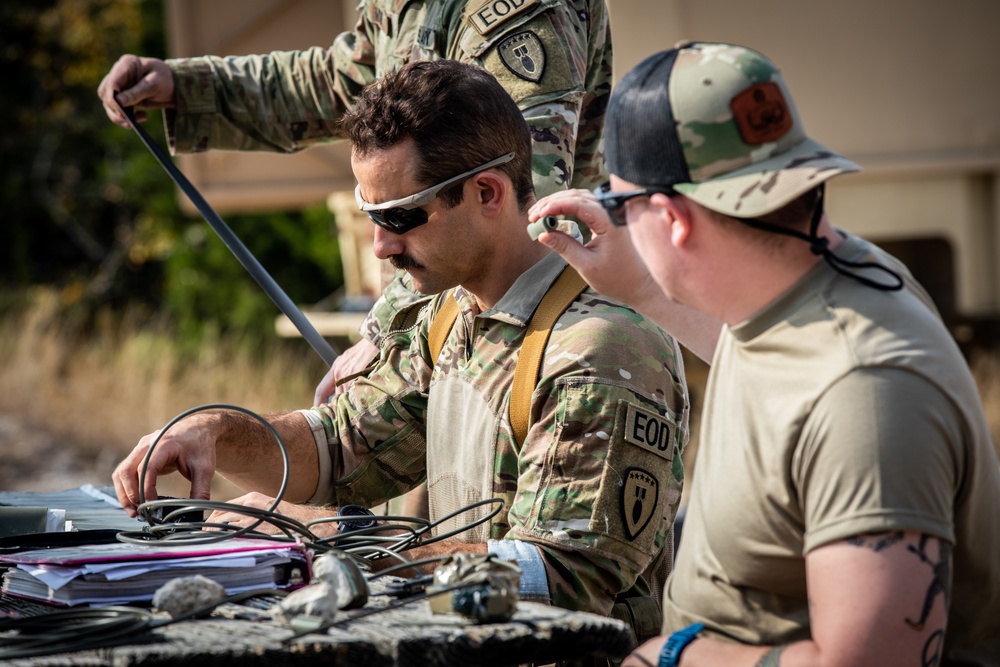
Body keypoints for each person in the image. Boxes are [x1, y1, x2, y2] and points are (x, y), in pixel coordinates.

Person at [112, 60, 690, 637]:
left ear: (487, 192)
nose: (381, 246)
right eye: (370, 214)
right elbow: (344, 448)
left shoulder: (597, 350)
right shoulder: (448, 312)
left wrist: (338, 544)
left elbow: (565, 581)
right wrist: (216, 432)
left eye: (400, 216)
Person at [529, 42, 1000, 666]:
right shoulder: (825, 273)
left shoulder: (867, 391)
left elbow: (876, 660)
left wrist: (676, 659)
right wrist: (641, 285)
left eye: (620, 204)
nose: (615, 219)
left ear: (672, 219)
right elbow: (780, 373)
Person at [96, 0, 615, 403]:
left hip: (518, 344)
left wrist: (387, 332)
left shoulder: (520, 14)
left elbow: (517, 198)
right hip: (436, 332)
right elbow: (344, 81)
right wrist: (190, 89)